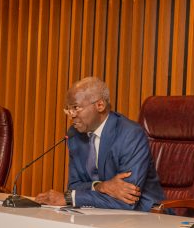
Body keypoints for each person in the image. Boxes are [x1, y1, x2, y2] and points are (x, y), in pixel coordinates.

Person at [36, 77, 164, 211]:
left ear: (100, 105)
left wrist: (70, 198)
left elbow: (127, 200)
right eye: (68, 109)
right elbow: (74, 185)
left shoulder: (130, 135)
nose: (71, 115)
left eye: (76, 108)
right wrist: (99, 186)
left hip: (145, 216)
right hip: (98, 214)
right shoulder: (75, 134)